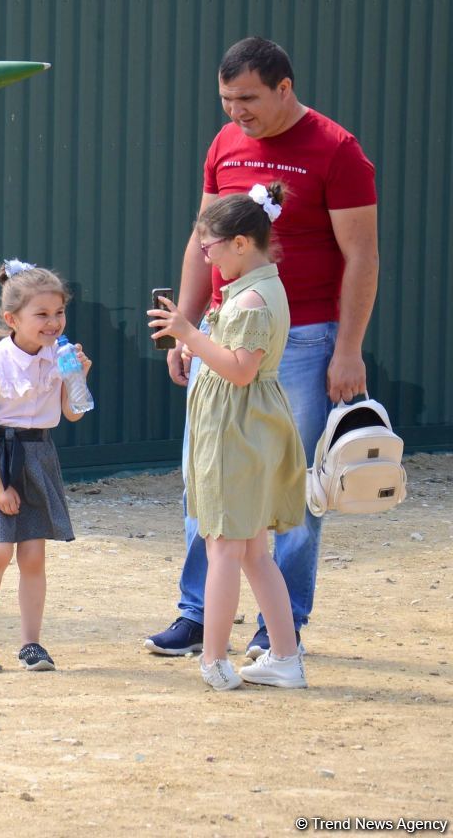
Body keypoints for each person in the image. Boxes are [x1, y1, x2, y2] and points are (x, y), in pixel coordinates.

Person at [145, 37, 378, 659]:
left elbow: (362, 255)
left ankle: (282, 626)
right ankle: (198, 613)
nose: (235, 113)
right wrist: (184, 327)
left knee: (291, 482)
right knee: (208, 471)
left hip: (302, 341)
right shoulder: (224, 145)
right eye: (226, 100)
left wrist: (347, 349)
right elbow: (202, 242)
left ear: (284, 87)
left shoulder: (337, 149)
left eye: (247, 99)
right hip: (220, 332)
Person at [149, 186, 308, 689]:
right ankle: (284, 656)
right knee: (255, 552)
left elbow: (241, 371)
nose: (205, 257)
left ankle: (213, 660)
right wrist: (202, 344)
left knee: (222, 547)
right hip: (245, 428)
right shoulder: (255, 289)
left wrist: (188, 334)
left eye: (210, 247)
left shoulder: (253, 299)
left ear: (241, 243)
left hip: (236, 434)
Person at [0, 259, 91, 674]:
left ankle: (32, 643)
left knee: (33, 556)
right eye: (42, 315)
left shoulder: (63, 356)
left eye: (59, 313)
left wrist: (79, 377)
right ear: (12, 318)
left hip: (39, 455)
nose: (53, 323)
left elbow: (73, 413)